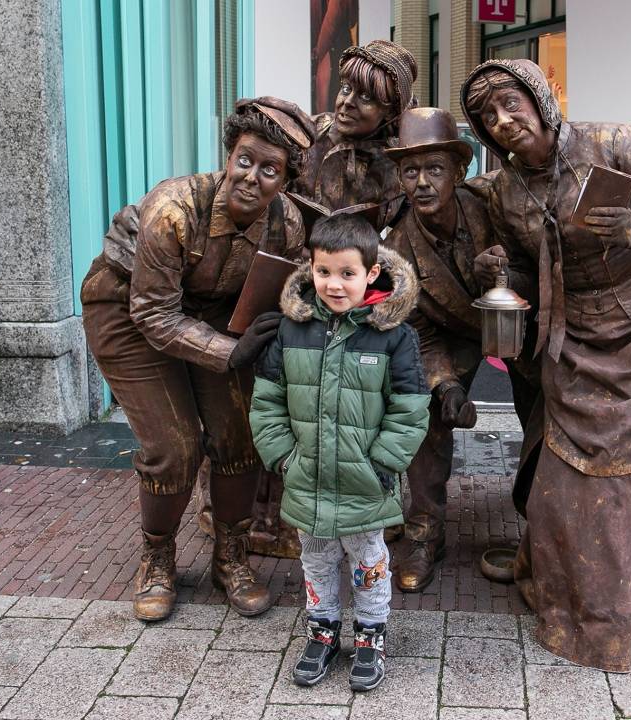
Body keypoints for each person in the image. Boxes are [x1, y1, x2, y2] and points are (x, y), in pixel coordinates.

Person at [460, 59, 631, 673]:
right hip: (578, 337)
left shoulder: (614, 143)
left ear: (541, 98)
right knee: (564, 486)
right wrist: (496, 274)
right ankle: (567, 593)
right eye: (488, 118)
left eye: (512, 105)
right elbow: (523, 265)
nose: (504, 123)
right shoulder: (505, 191)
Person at [80, 97, 314, 621]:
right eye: (245, 160)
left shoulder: (287, 225)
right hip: (129, 311)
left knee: (241, 433)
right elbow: (155, 315)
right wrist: (232, 352)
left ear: (286, 181)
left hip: (211, 315)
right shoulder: (174, 209)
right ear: (228, 155)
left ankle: (230, 558)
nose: (252, 177)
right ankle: (157, 558)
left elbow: (289, 293)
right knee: (175, 445)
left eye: (270, 170)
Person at [250, 213, 429, 690]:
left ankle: (371, 634)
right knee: (315, 557)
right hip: (306, 473)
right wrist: (285, 457)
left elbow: (410, 409)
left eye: (347, 273)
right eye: (323, 271)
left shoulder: (393, 336)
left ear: (371, 274)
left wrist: (382, 464)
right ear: (310, 268)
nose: (334, 284)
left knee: (369, 558)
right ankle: (323, 630)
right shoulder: (293, 330)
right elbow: (266, 401)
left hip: (364, 480)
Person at [383, 106, 537, 592]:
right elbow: (415, 331)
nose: (422, 182)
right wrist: (444, 384)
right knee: (426, 414)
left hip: (518, 320)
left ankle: (544, 519)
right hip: (449, 333)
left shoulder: (494, 203)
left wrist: (506, 275)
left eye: (434, 169)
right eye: (410, 171)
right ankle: (426, 532)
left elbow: (545, 266)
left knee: (544, 409)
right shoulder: (399, 250)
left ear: (459, 171)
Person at [291, 40, 418, 230]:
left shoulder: (397, 164)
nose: (348, 102)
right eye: (346, 89)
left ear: (390, 112)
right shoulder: (305, 134)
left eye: (366, 97)